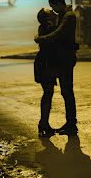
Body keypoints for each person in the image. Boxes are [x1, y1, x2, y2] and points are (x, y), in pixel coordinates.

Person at [34, 0, 79, 136]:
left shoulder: (68, 16)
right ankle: (46, 124)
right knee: (53, 93)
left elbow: (58, 35)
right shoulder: (53, 23)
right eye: (50, 12)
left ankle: (69, 124)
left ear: (57, 3)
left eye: (53, 8)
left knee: (65, 92)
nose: (53, 12)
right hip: (50, 64)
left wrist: (39, 39)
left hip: (63, 61)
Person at [34, 7, 58, 137]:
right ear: (47, 18)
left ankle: (44, 123)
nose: (53, 13)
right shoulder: (48, 28)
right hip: (46, 63)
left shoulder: (44, 28)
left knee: (48, 93)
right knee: (48, 93)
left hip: (44, 62)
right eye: (51, 12)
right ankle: (43, 123)